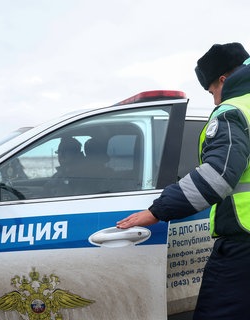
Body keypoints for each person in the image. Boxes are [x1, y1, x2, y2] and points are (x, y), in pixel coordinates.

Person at [117, 42, 250, 319]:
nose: (214, 100)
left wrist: (157, 211)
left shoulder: (231, 112)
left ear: (223, 80)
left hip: (243, 245)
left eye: (212, 90)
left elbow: (216, 177)